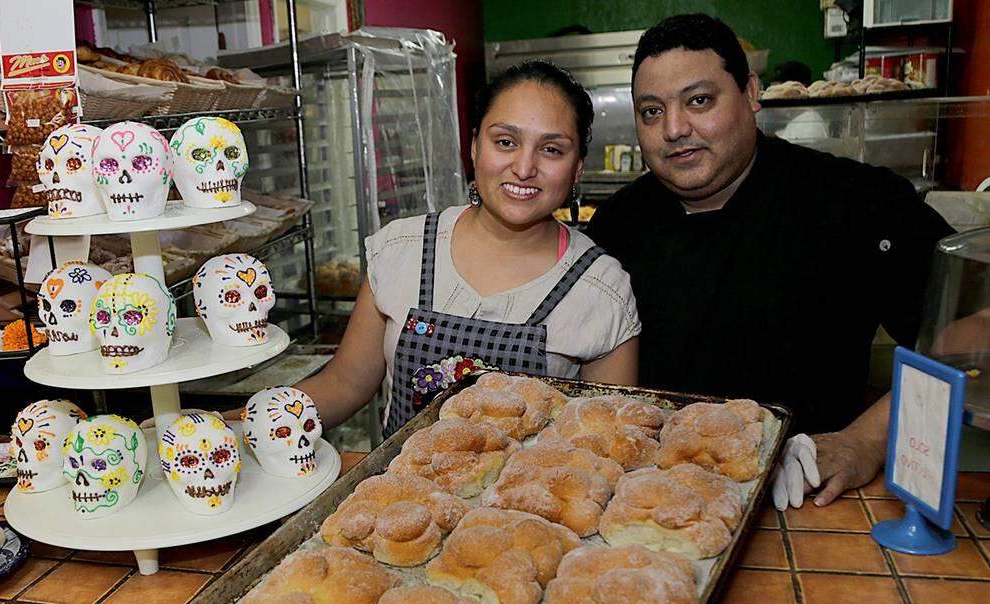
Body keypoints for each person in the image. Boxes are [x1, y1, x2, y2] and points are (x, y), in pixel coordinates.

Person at [584, 14, 954, 509]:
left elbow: (973, 331)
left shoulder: (855, 201)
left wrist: (867, 439)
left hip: (808, 497)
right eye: (652, 111)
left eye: (699, 101)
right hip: (652, 499)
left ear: (752, 94)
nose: (674, 129)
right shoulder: (619, 222)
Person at [284, 60, 641, 437]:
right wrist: (255, 418)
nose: (524, 167)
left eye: (551, 149)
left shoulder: (602, 290)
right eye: (505, 142)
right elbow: (344, 384)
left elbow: (604, 442)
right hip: (403, 493)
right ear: (473, 147)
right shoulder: (403, 249)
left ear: (577, 169)